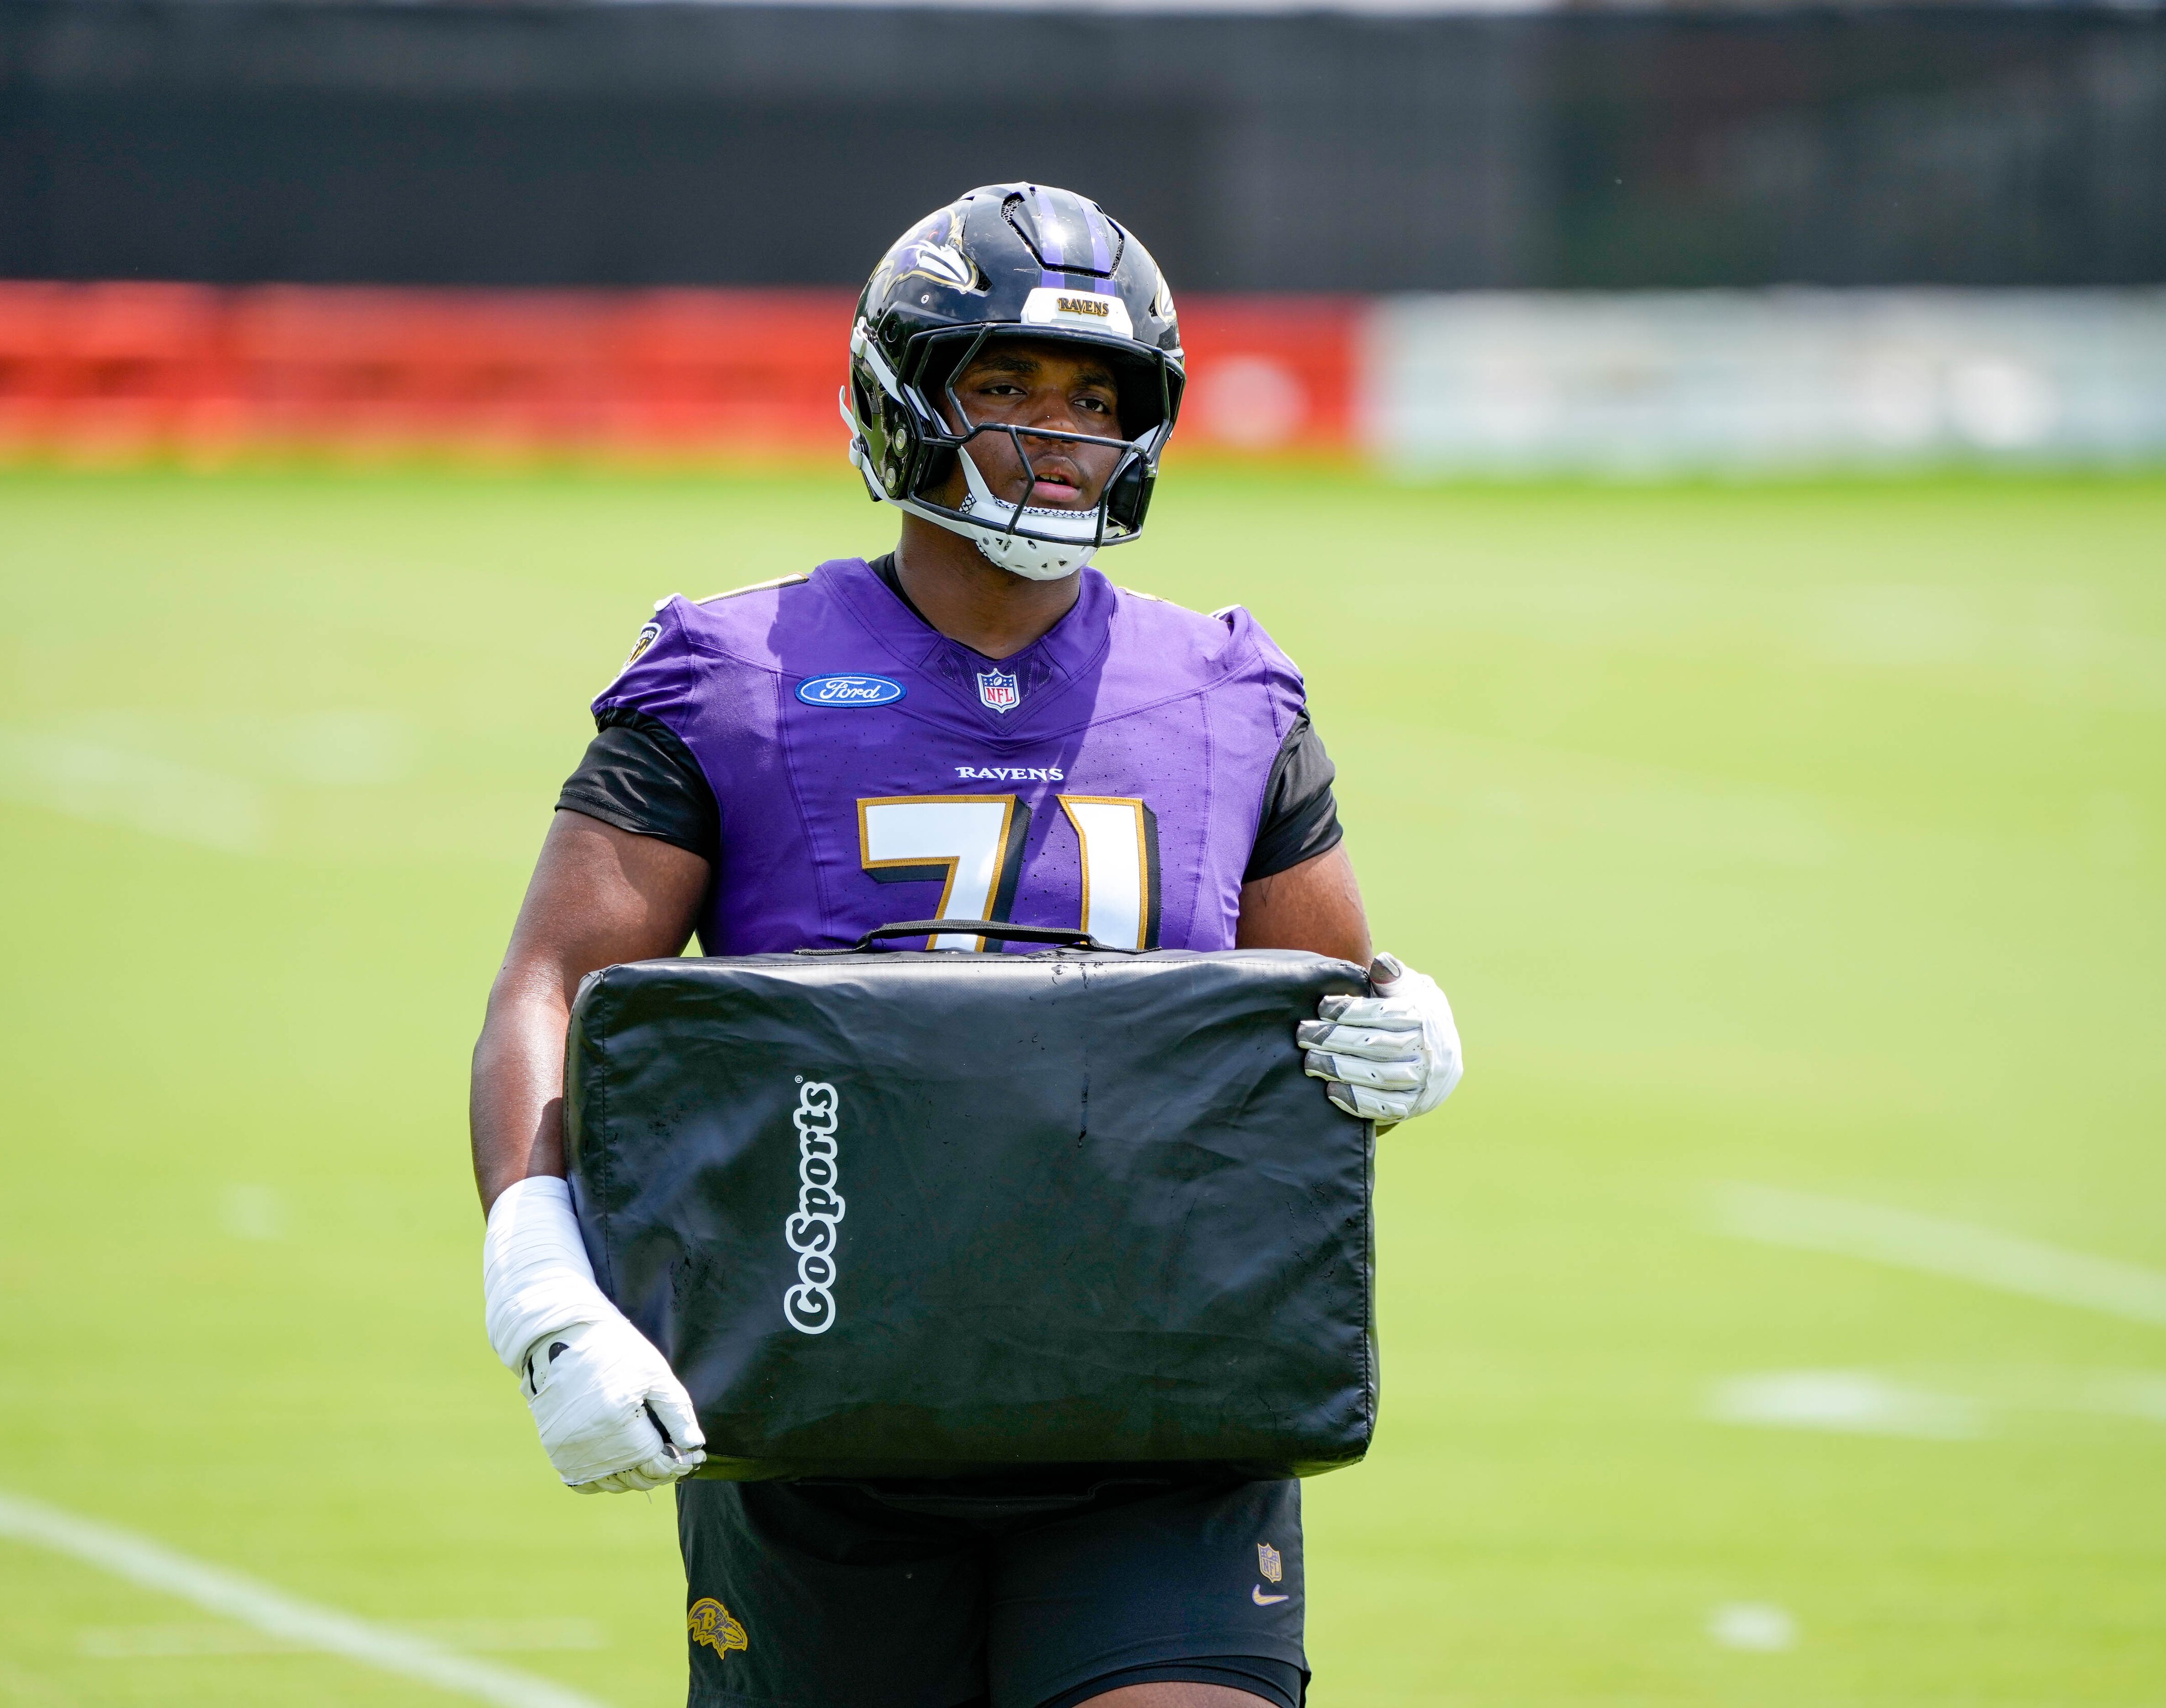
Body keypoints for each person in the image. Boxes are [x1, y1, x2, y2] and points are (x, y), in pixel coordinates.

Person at [470, 182, 1463, 1708]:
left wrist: (1412, 1032)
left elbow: (1322, 1017)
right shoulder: (733, 674)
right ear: (904, 398)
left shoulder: (1225, 689)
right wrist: (546, 1301)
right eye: (1003, 386)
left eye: (1091, 397)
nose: (1056, 434)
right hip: (829, 1395)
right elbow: (558, 984)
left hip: (1162, 1399)